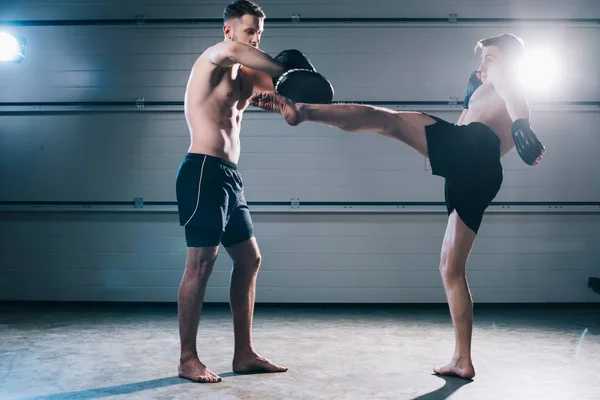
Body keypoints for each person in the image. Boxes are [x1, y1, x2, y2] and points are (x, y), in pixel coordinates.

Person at [250, 33, 545, 380]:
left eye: (491, 58)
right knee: (451, 269)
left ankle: (301, 111)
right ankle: (462, 361)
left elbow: (515, 99)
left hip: (472, 152)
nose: (484, 65)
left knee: (386, 120)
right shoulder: (486, 88)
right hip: (478, 173)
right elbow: (490, 122)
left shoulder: (507, 78)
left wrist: (522, 124)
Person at [174, 0, 293, 383]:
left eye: (260, 33)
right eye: (249, 32)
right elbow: (237, 56)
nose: (255, 39)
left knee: (249, 259)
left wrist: (284, 99)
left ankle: (244, 354)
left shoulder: (249, 74)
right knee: (201, 263)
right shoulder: (215, 57)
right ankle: (187, 358)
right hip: (202, 171)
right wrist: (290, 68)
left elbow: (289, 105)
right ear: (229, 31)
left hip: (228, 176)